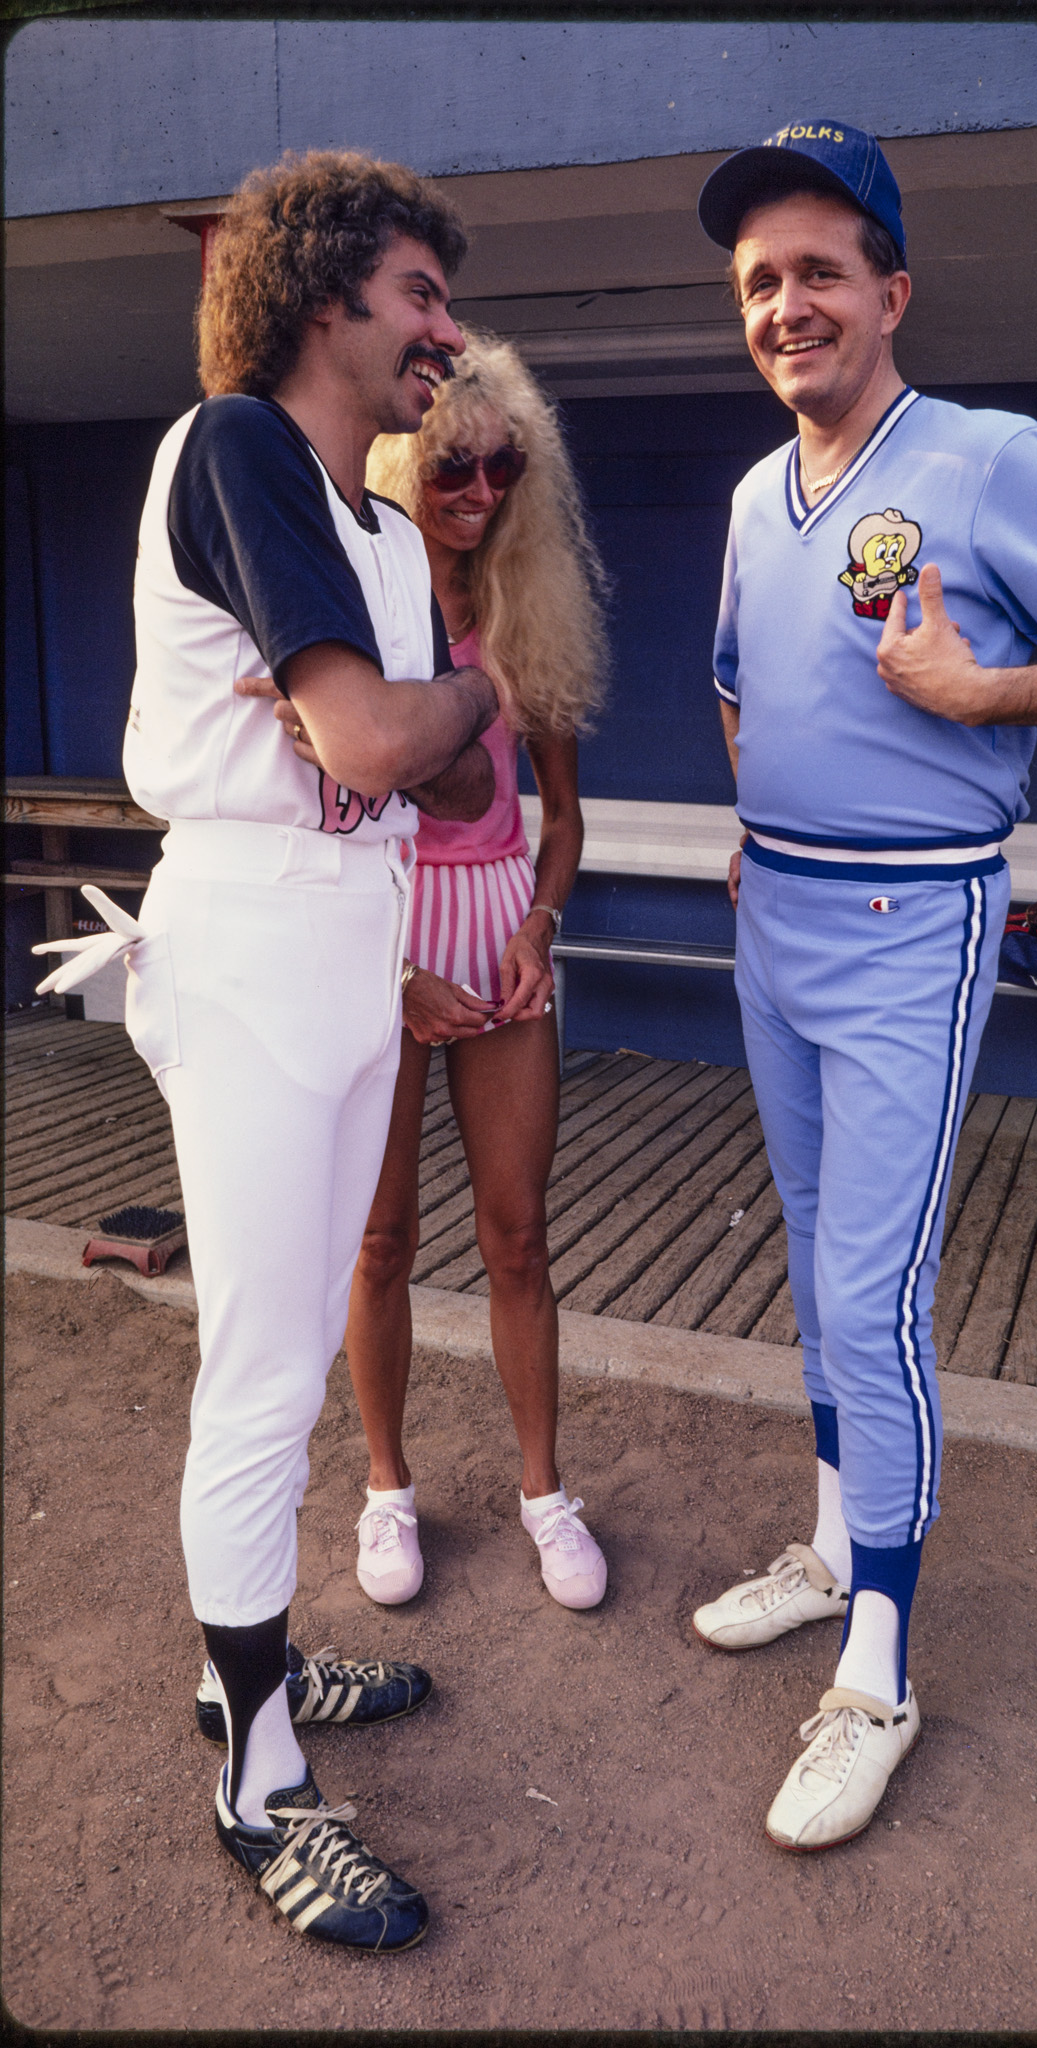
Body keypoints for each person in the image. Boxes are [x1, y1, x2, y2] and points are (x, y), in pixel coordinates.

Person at [689, 120, 1037, 1851]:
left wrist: (980, 699)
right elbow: (737, 684)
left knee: (871, 1282)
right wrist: (757, 825)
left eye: (819, 270)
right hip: (781, 920)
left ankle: (879, 1665)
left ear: (891, 289)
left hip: (918, 918)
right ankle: (830, 1544)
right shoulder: (755, 496)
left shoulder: (985, 457)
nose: (787, 304)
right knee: (816, 1250)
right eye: (759, 280)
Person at [38, 149, 499, 1951]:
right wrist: (437, 708)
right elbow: (407, 741)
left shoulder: (372, 520)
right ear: (325, 298)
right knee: (261, 1368)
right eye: (417, 298)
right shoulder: (233, 442)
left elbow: (434, 764)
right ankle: (254, 1773)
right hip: (248, 928)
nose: (443, 336)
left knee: (301, 1349)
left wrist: (422, 716)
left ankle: (267, 1668)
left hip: (346, 932)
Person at [343, 333, 610, 1611]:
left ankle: (545, 1495)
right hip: (371, 934)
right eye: (457, 460)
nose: (482, 488)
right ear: (407, 457)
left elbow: (560, 815)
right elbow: (319, 814)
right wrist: (393, 971)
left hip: (501, 932)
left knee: (517, 1237)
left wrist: (539, 925)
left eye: (506, 464)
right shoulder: (356, 608)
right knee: (380, 1236)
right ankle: (387, 1487)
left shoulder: (526, 613)